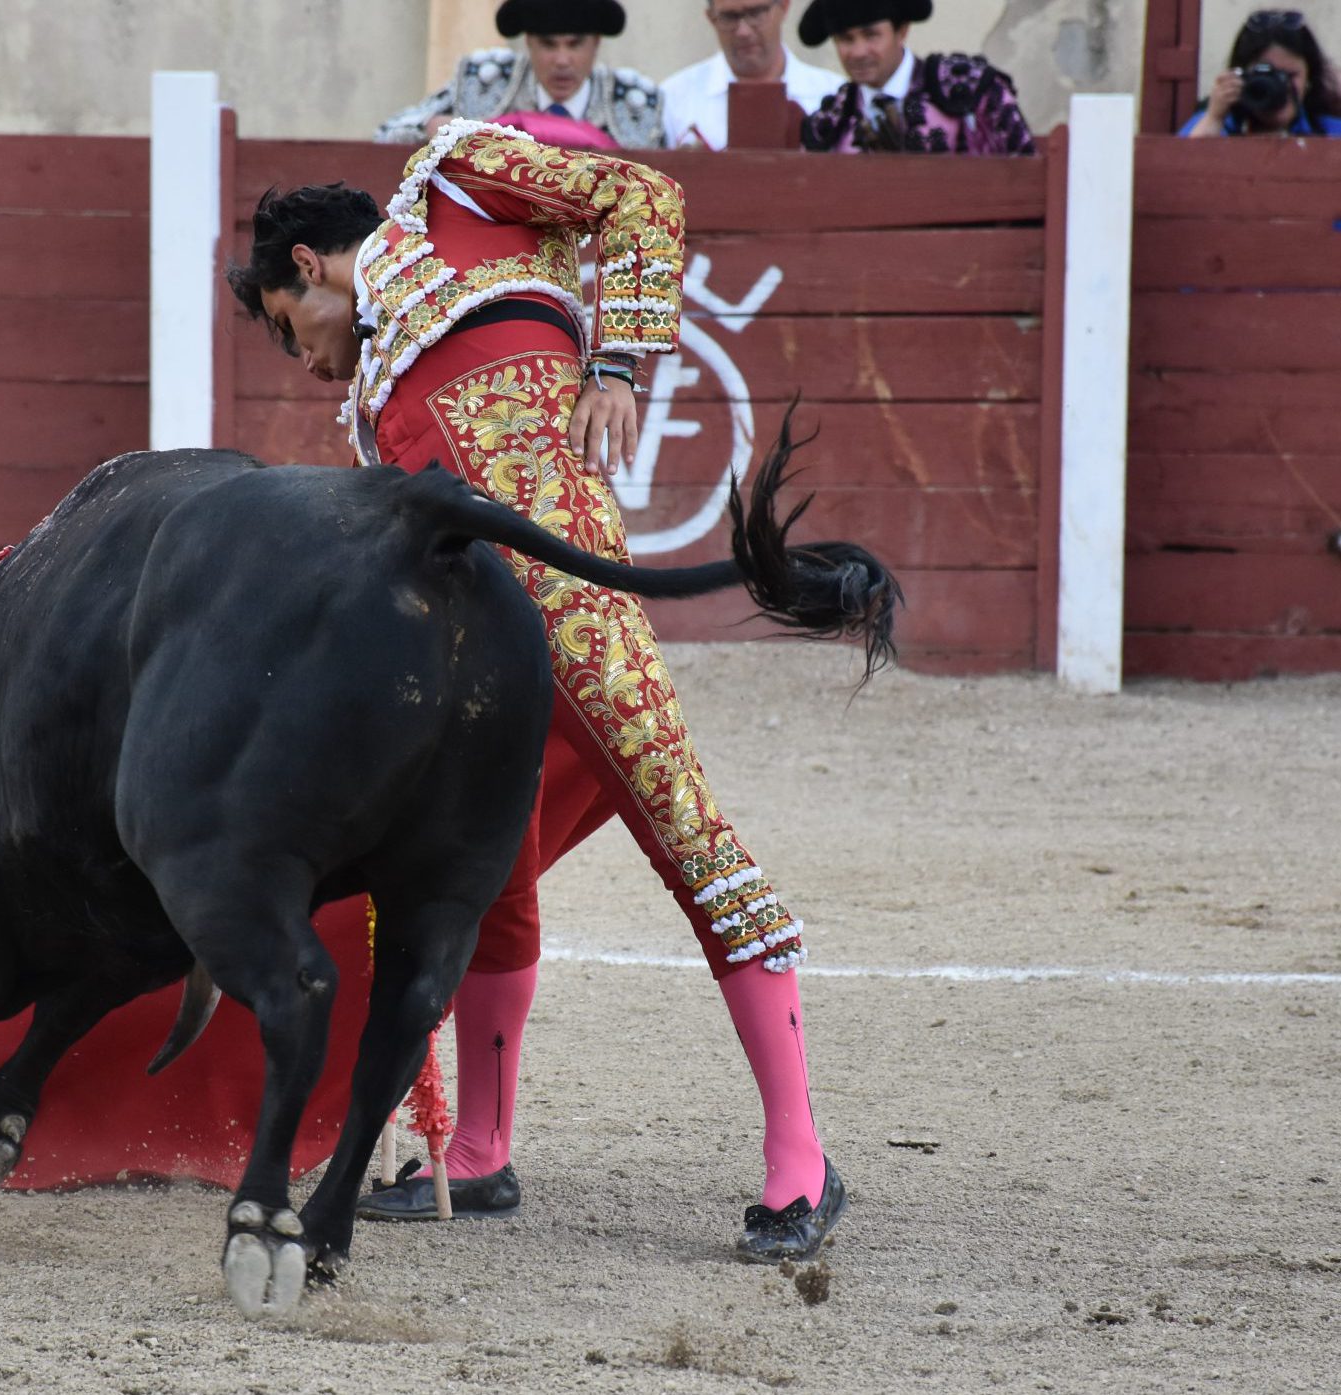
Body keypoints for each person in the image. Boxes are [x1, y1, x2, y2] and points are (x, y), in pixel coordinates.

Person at [226, 120, 852, 1262]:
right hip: (456, 649)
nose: (308, 361)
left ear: (305, 265)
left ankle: (800, 1159)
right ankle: (479, 1153)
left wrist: (613, 364)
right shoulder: (371, 394)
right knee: (485, 878)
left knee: (691, 842)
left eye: (288, 329)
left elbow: (640, 196)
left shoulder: (453, 178)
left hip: (578, 608)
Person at [376, 0, 666, 149]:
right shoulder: (487, 80)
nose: (562, 60)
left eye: (575, 44)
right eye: (548, 44)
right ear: (528, 42)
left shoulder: (634, 102)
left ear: (597, 43)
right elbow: (387, 133)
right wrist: (430, 126)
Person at [796, 0, 1036, 155]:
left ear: (902, 31)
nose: (858, 52)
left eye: (871, 35)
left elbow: (1025, 175)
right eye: (846, 39)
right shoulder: (829, 125)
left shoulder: (972, 91)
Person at [659, 0, 844, 150]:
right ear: (711, 18)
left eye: (756, 13)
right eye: (729, 17)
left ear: (784, 6)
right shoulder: (673, 99)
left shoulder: (836, 96)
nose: (743, 31)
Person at [1181, 9, 1341, 137]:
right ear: (1242, 77)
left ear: (1309, 79)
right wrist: (1214, 118)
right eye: (1267, 75)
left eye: (1290, 75)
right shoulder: (1215, 126)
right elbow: (1182, 167)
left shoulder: (1330, 132)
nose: (1280, 86)